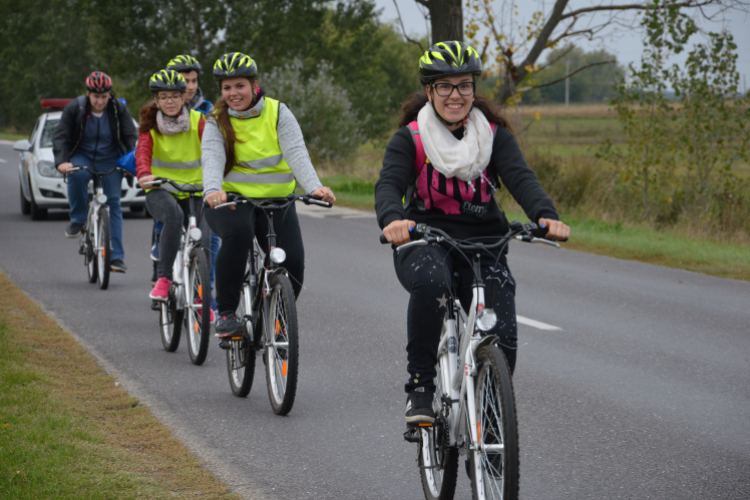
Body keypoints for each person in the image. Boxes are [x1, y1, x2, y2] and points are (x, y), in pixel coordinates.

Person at [374, 41, 570, 424]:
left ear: (474, 90)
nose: (455, 95)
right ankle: (420, 387)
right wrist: (392, 220)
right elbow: (388, 185)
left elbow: (521, 178)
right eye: (444, 86)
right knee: (432, 283)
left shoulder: (492, 136)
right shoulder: (411, 139)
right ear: (429, 91)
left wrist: (546, 216)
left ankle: (491, 424)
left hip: (484, 244)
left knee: (504, 335)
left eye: (464, 85)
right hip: (424, 240)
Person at [202, 52, 335, 337]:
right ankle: (226, 314)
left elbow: (296, 152)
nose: (233, 93)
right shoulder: (216, 120)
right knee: (237, 235)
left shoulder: (278, 112)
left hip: (277, 201)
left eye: (240, 86)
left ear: (254, 84)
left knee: (294, 262)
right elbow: (211, 158)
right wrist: (213, 190)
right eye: (227, 88)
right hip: (233, 202)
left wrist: (314, 187)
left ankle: (275, 314)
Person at [135, 69, 212, 321]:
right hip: (161, 190)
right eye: (163, 97)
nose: (170, 101)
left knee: (205, 236)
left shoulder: (200, 121)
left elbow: (213, 151)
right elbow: (143, 154)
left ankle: (202, 296)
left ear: (184, 98)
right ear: (156, 101)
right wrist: (145, 174)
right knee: (174, 216)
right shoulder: (150, 127)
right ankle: (164, 278)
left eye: (175, 96)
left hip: (196, 191)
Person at [53, 71, 138, 273]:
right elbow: (61, 136)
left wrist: (130, 164)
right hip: (82, 155)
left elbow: (129, 137)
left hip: (109, 158)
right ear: (88, 94)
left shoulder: (118, 109)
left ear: (110, 94)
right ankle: (78, 219)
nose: (100, 101)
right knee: (77, 174)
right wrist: (62, 161)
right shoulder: (75, 107)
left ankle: (116, 257)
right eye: (96, 97)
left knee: (114, 203)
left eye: (104, 97)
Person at [148, 55, 217, 289]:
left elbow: (216, 147)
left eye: (194, 80)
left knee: (209, 241)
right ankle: (161, 276)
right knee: (166, 228)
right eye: (185, 81)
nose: (190, 86)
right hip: (167, 187)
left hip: (198, 186)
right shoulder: (156, 111)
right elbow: (143, 148)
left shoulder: (207, 110)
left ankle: (205, 293)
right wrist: (140, 172)